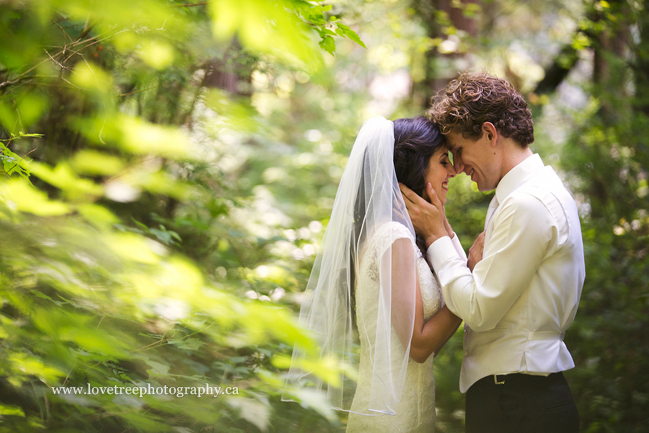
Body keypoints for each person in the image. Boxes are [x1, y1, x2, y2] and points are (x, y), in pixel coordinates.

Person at [400, 72, 586, 433]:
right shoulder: (523, 195)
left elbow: (480, 311)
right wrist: (445, 232)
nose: (455, 167)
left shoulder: (527, 204)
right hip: (516, 396)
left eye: (458, 150)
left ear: (489, 133)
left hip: (518, 403)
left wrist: (437, 235)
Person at [283, 116, 463, 432]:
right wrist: (471, 287)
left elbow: (429, 345)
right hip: (391, 420)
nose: (452, 171)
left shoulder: (393, 235)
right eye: (443, 160)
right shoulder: (394, 238)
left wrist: (441, 226)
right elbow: (419, 347)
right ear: (417, 166)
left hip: (410, 410)